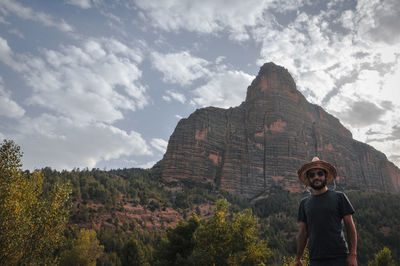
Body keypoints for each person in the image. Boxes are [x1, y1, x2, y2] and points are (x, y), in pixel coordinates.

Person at [295, 157, 357, 266]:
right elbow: (303, 233)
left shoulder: (339, 197)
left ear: (325, 176)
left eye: (320, 173)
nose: (316, 177)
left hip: (340, 258)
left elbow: (350, 227)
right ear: (309, 179)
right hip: (315, 260)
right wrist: (298, 258)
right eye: (312, 175)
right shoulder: (304, 203)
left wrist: (352, 255)